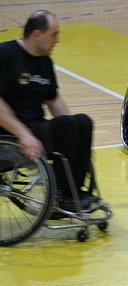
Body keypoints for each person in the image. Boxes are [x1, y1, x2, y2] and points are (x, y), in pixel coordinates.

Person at [0, 10, 102, 212]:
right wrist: (24, 135)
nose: (58, 40)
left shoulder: (45, 61)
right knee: (66, 125)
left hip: (36, 129)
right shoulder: (5, 55)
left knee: (82, 121)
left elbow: (53, 99)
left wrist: (81, 140)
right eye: (54, 34)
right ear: (38, 35)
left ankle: (73, 193)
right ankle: (61, 195)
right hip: (9, 135)